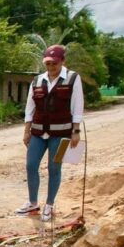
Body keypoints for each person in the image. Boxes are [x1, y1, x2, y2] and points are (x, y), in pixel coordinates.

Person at [15, 44, 83, 223]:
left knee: (54, 168)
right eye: (48, 63)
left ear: (62, 61)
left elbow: (77, 107)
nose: (51, 66)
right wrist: (27, 131)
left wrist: (76, 131)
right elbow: (30, 108)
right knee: (31, 165)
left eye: (54, 63)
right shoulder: (37, 80)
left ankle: (49, 204)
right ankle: (32, 203)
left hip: (61, 133)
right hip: (38, 132)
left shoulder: (73, 78)